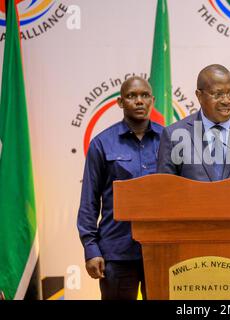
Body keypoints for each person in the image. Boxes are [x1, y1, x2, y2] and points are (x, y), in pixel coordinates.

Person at [77, 76, 163, 300]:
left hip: (161, 249)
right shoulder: (102, 143)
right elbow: (89, 201)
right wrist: (91, 248)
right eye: (131, 96)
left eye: (144, 95)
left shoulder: (169, 140)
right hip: (117, 252)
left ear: (152, 100)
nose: (139, 101)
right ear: (120, 102)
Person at [157, 64, 230, 180]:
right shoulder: (173, 135)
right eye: (218, 94)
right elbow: (165, 191)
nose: (226, 100)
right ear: (199, 96)